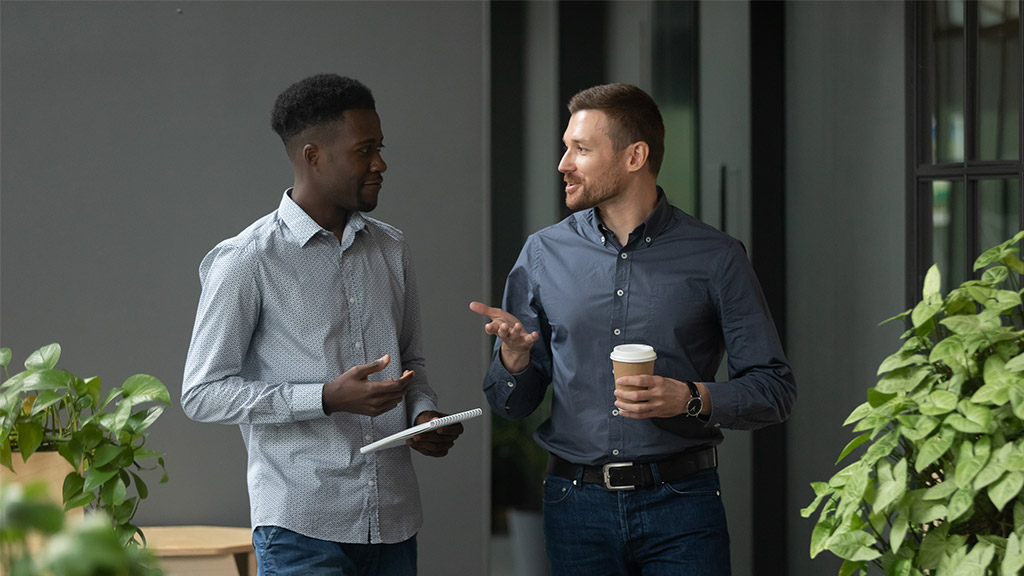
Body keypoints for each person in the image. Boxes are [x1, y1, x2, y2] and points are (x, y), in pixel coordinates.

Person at [471, 83, 796, 575]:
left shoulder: (717, 257)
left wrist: (690, 397)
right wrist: (514, 359)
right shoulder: (542, 254)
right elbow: (510, 403)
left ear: (634, 156)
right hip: (574, 507)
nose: (564, 163)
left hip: (683, 507)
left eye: (581, 149)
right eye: (566, 147)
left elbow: (774, 389)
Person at [182, 73, 464, 576]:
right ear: (313, 155)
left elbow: (411, 362)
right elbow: (202, 393)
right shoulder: (246, 260)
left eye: (381, 148)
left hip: (394, 520)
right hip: (300, 524)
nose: (381, 164)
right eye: (365, 150)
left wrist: (423, 417)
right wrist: (326, 397)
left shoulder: (391, 247)